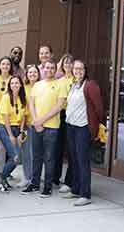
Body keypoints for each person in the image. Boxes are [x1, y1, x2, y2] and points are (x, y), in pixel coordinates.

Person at [62, 59, 104, 206]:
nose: (78, 71)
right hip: (71, 126)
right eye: (75, 68)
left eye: (81, 69)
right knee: (73, 159)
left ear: (85, 70)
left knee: (82, 161)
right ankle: (75, 189)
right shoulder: (74, 85)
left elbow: (99, 108)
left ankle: (85, 194)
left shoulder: (90, 85)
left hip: (83, 128)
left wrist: (97, 125)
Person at [22, 59, 66, 197]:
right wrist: (36, 121)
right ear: (43, 69)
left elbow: (59, 106)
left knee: (49, 157)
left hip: (51, 127)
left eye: (52, 68)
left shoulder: (60, 85)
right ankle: (34, 184)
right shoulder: (37, 85)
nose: (49, 70)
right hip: (36, 126)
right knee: (36, 156)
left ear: (55, 70)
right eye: (47, 68)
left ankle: (47, 187)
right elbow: (31, 104)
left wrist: (42, 120)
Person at [0, 76, 27, 192]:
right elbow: (5, 117)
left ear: (20, 85)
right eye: (12, 83)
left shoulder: (23, 98)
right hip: (4, 128)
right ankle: (1, 178)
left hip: (17, 129)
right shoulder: (6, 97)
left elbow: (23, 117)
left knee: (17, 158)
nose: (14, 85)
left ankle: (3, 178)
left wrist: (21, 133)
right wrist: (11, 135)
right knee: (15, 157)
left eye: (17, 83)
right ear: (9, 85)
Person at [54, 53, 74, 192]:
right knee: (57, 147)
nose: (67, 66)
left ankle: (69, 181)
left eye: (70, 63)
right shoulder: (59, 81)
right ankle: (55, 177)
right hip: (60, 115)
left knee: (71, 149)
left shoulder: (76, 80)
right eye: (65, 63)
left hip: (72, 115)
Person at [18, 64, 40, 187]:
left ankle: (35, 177)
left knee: (36, 153)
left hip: (39, 123)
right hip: (26, 124)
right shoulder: (24, 87)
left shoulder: (41, 86)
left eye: (35, 72)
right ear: (27, 75)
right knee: (26, 152)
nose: (32, 74)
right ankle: (26, 177)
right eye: (30, 72)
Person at [0, 56, 14, 180]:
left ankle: (5, 171)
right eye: (3, 64)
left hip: (8, 117)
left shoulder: (13, 79)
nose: (5, 66)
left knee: (7, 147)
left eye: (8, 64)